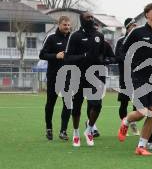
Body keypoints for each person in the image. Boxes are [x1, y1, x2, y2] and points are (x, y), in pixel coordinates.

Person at [117, 2, 152, 156]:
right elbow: (122, 51)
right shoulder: (137, 32)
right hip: (140, 76)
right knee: (142, 112)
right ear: (147, 14)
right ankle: (126, 121)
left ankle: (141, 146)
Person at [64, 11, 106, 147]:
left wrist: (104, 60)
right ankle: (76, 133)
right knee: (76, 107)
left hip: (94, 76)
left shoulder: (99, 36)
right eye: (88, 17)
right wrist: (84, 56)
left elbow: (103, 54)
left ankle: (89, 129)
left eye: (92, 17)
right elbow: (68, 57)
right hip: (78, 76)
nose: (91, 19)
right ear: (82, 20)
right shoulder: (75, 36)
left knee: (97, 105)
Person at [39, 16, 72, 141]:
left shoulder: (72, 38)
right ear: (59, 24)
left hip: (68, 77)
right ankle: (49, 128)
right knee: (50, 103)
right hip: (53, 77)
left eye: (68, 25)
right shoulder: (51, 37)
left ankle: (63, 131)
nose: (67, 27)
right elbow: (42, 55)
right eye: (65, 25)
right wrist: (55, 56)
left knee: (68, 104)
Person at [115, 18, 139, 136]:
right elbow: (117, 56)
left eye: (136, 25)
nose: (134, 27)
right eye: (132, 25)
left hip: (138, 76)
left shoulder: (139, 40)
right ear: (127, 27)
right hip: (125, 76)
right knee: (124, 102)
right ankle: (123, 124)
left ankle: (133, 122)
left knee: (137, 103)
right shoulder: (121, 41)